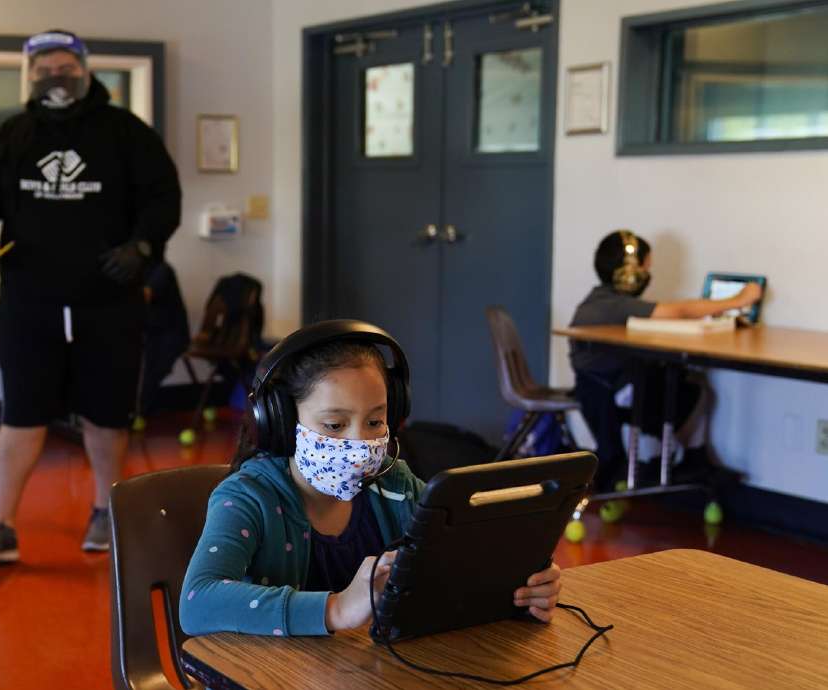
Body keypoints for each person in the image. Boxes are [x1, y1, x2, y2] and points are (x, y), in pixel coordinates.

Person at [0, 30, 181, 563]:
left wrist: (142, 247)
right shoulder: (11, 138)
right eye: (45, 69)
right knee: (22, 412)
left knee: (106, 414)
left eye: (66, 68)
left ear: (84, 71)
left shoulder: (126, 134)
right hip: (29, 301)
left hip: (109, 300)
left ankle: (106, 510)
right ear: (30, 75)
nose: (56, 77)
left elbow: (163, 198)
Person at [179, 321, 562, 636]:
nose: (359, 442)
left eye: (375, 421)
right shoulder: (249, 498)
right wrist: (336, 609)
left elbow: (450, 568)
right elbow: (197, 602)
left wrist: (518, 590)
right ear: (282, 422)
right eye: (334, 424)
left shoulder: (393, 484)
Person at [569, 230, 762, 490]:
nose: (649, 275)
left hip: (598, 389)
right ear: (629, 273)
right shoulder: (614, 305)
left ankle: (678, 460)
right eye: (647, 268)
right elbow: (678, 311)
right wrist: (740, 300)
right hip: (612, 391)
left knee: (684, 381)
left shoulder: (600, 302)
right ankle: (686, 461)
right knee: (693, 390)